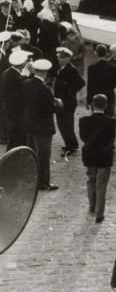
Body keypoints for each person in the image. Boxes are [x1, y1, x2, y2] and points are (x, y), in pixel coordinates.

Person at [22, 58, 63, 191]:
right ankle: (43, 182)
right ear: (45, 73)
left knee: (32, 153)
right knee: (44, 155)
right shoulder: (44, 88)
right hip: (43, 127)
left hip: (30, 124)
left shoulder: (26, 83)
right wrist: (58, 103)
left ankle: (32, 180)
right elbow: (51, 107)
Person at [79, 93, 116, 223]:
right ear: (106, 106)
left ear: (91, 106)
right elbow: (111, 140)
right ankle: (99, 214)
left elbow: (83, 138)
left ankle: (92, 206)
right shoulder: (111, 121)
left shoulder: (83, 121)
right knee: (101, 185)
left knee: (91, 181)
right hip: (104, 156)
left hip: (89, 154)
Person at [54, 46, 85, 157]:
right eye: (59, 57)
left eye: (62, 58)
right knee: (62, 124)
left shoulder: (71, 69)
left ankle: (72, 146)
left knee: (67, 125)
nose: (60, 59)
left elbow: (81, 82)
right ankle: (69, 144)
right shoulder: (60, 68)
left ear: (68, 58)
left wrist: (70, 91)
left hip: (68, 103)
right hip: (61, 102)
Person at [0, 48, 29, 149]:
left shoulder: (7, 72)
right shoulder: (16, 77)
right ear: (21, 63)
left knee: (15, 138)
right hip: (16, 113)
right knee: (16, 139)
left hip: (10, 111)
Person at [86, 44, 116, 117]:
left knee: (97, 119)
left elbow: (90, 85)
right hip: (109, 96)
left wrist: (88, 101)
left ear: (96, 53)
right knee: (108, 119)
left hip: (96, 96)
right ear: (107, 53)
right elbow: (115, 82)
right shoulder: (113, 68)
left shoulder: (91, 68)